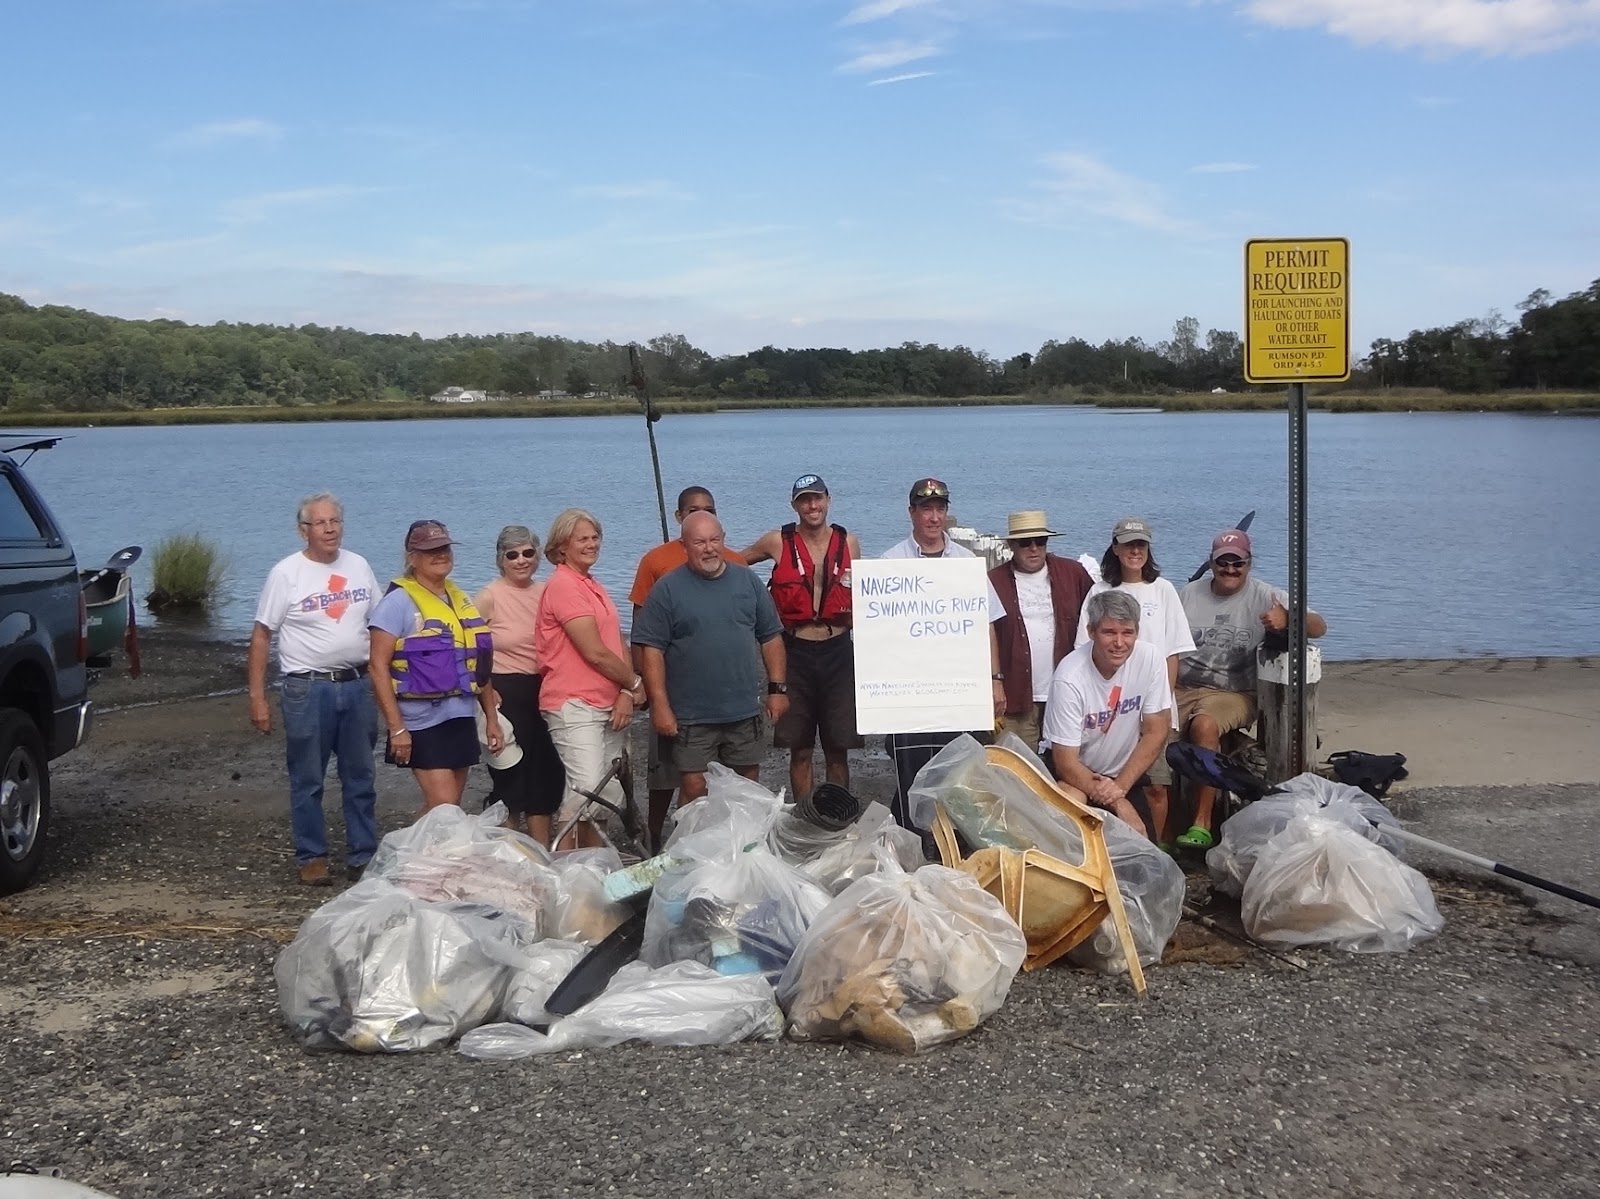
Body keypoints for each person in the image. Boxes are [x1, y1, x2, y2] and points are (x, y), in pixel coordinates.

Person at [247, 492, 381, 886]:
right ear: (303, 530)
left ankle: (363, 853)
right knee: (308, 778)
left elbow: (380, 621)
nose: (329, 529)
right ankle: (312, 855)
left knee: (361, 776)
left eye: (335, 521)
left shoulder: (357, 565)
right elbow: (260, 636)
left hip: (356, 684)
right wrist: (257, 697)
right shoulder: (286, 573)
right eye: (320, 523)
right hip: (307, 688)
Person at [1175, 527, 1328, 849]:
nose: (1230, 569)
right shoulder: (1188, 593)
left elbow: (1319, 627)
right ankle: (1157, 829)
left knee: (1204, 726)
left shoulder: (1265, 595)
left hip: (1233, 692)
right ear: (1212, 562)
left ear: (1249, 563)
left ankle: (1201, 824)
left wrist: (1288, 618)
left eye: (1238, 563)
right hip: (1183, 687)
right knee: (1143, 726)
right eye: (1223, 562)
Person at [634, 511, 789, 805]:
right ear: (685, 546)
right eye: (700, 542)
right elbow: (651, 649)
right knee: (694, 787)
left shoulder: (748, 581)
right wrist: (660, 706)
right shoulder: (667, 589)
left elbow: (770, 637)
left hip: (742, 710)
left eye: (714, 540)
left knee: (745, 784)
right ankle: (690, 846)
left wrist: (777, 689)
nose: (709, 548)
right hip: (692, 715)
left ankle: (736, 847)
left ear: (724, 540)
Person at [880, 477, 1007, 828]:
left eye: (940, 509)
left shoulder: (967, 561)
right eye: (926, 509)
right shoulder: (891, 562)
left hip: (959, 686)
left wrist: (995, 679)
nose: (934, 517)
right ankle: (911, 843)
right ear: (912, 513)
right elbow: (880, 633)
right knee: (912, 770)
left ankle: (959, 846)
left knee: (961, 770)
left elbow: (987, 624)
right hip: (912, 689)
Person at [627, 485, 743, 849]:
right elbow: (640, 630)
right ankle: (656, 834)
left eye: (707, 509)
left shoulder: (733, 561)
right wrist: (641, 683)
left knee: (714, 777)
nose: (698, 515)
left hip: (720, 695)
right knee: (664, 774)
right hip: (669, 686)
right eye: (691, 510)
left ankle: (719, 839)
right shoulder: (656, 561)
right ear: (679, 517)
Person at [739, 473, 864, 803]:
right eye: (805, 500)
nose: (812, 505)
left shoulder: (849, 542)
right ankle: (805, 817)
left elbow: (866, 595)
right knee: (801, 749)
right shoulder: (776, 541)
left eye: (817, 498)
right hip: (794, 652)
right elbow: (735, 562)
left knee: (838, 747)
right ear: (794, 505)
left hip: (839, 651)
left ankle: (837, 814)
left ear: (829, 500)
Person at [1075, 516, 1196, 843]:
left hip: (1154, 708)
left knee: (1157, 785)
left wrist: (1163, 705)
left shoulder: (1164, 590)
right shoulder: (1099, 591)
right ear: (1115, 548)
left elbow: (1173, 653)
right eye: (1128, 544)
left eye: (1140, 544)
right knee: (1105, 780)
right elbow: (1084, 653)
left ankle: (1159, 847)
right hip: (1111, 709)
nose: (1135, 551)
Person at [369, 520, 502, 813]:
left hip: (461, 717)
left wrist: (491, 719)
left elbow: (478, 662)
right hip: (421, 722)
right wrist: (397, 729)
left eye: (444, 548)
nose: (441, 555)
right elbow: (377, 667)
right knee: (443, 805)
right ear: (412, 557)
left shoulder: (460, 598)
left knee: (447, 807)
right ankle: (409, 857)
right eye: (431, 550)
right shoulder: (396, 603)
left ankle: (420, 858)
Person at [536, 508, 646, 850]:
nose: (591, 544)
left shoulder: (591, 584)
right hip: (574, 704)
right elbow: (595, 652)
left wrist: (626, 690)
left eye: (595, 537)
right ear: (561, 545)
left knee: (605, 791)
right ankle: (567, 868)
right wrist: (636, 684)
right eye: (581, 538)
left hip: (608, 701)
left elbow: (617, 642)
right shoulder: (563, 586)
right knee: (586, 790)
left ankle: (590, 868)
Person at [1042, 589, 1173, 840]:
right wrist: (1118, 802)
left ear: (1137, 632)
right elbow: (1066, 762)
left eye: (1128, 633)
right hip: (1077, 772)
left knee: (1141, 843)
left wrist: (1119, 789)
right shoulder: (1070, 678)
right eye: (1109, 632)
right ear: (1091, 632)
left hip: (1120, 774)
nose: (1119, 643)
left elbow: (1157, 729)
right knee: (1073, 799)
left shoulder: (1151, 658)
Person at [474, 524, 567, 845]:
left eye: (528, 553)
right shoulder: (489, 597)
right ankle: (511, 854)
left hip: (544, 688)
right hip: (503, 691)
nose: (521, 560)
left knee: (545, 773)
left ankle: (541, 852)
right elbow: (469, 651)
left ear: (538, 555)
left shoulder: (546, 592)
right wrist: (485, 693)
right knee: (511, 777)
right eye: (512, 555)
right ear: (501, 559)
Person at [988, 509, 1094, 753]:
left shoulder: (1074, 574)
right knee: (1015, 768)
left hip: (1067, 692)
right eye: (1025, 543)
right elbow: (983, 636)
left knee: (1069, 765)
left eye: (1041, 541)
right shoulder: (993, 581)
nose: (1034, 548)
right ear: (1012, 545)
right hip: (1015, 696)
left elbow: (1098, 618)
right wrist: (994, 683)